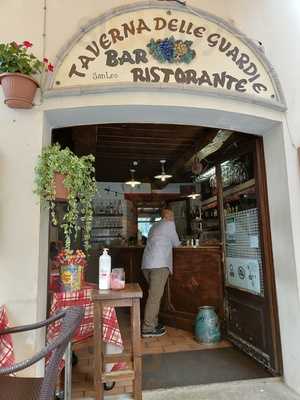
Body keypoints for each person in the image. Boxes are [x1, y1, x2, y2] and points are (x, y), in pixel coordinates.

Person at [141, 208, 180, 337]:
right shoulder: (169, 224)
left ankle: (153, 322)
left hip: (146, 264)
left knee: (153, 296)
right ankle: (148, 328)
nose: (173, 217)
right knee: (154, 297)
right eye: (172, 215)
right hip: (159, 265)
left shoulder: (154, 226)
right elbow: (176, 244)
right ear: (167, 216)